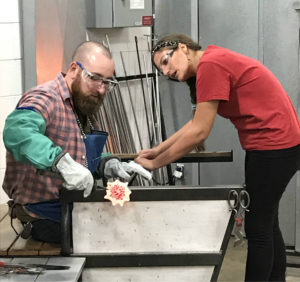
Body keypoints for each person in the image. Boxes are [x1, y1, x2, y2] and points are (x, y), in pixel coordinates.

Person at [135, 33, 300, 281]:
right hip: (275, 146)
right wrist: (156, 151)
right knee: (267, 222)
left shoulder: (210, 65)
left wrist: (156, 164)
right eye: (161, 69)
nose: (166, 71)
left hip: (273, 146)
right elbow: (193, 125)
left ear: (183, 48)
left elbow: (200, 131)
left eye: (166, 61)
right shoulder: (210, 61)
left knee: (257, 229)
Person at [2, 41, 151, 244]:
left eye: (107, 82)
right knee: (112, 240)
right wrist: (60, 163)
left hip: (72, 204)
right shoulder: (46, 97)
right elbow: (17, 132)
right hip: (41, 213)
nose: (101, 89)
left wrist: (107, 163)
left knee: (133, 223)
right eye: (95, 78)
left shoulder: (81, 105)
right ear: (74, 69)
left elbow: (82, 154)